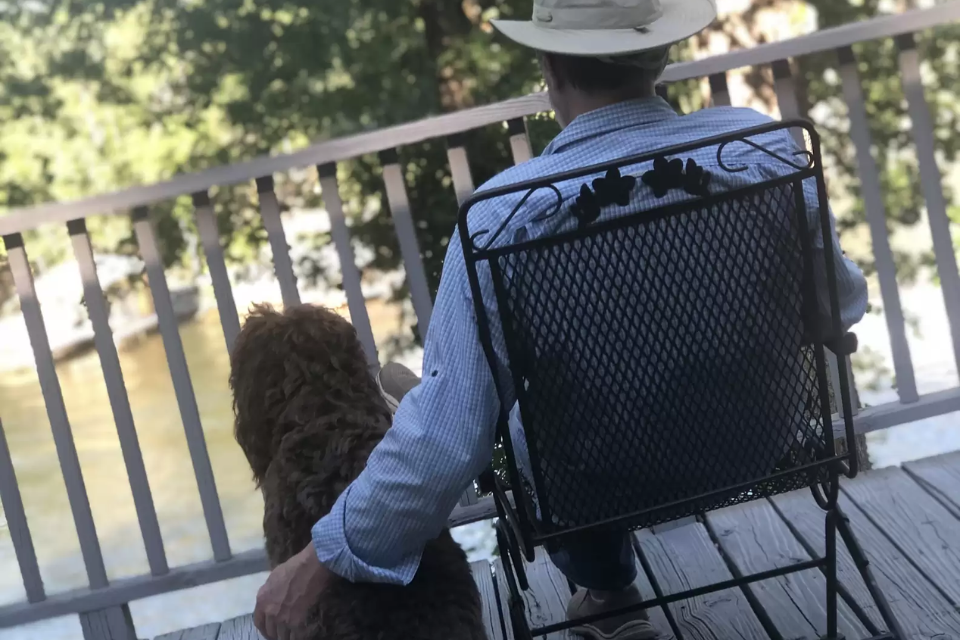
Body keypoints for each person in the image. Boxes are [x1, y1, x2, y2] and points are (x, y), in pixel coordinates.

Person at [253, 1, 869, 639]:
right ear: (661, 54)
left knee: (492, 404)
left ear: (548, 64)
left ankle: (608, 593)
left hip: (594, 489)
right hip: (761, 446)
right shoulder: (760, 149)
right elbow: (842, 303)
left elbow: (447, 438)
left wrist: (322, 556)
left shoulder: (504, 217)